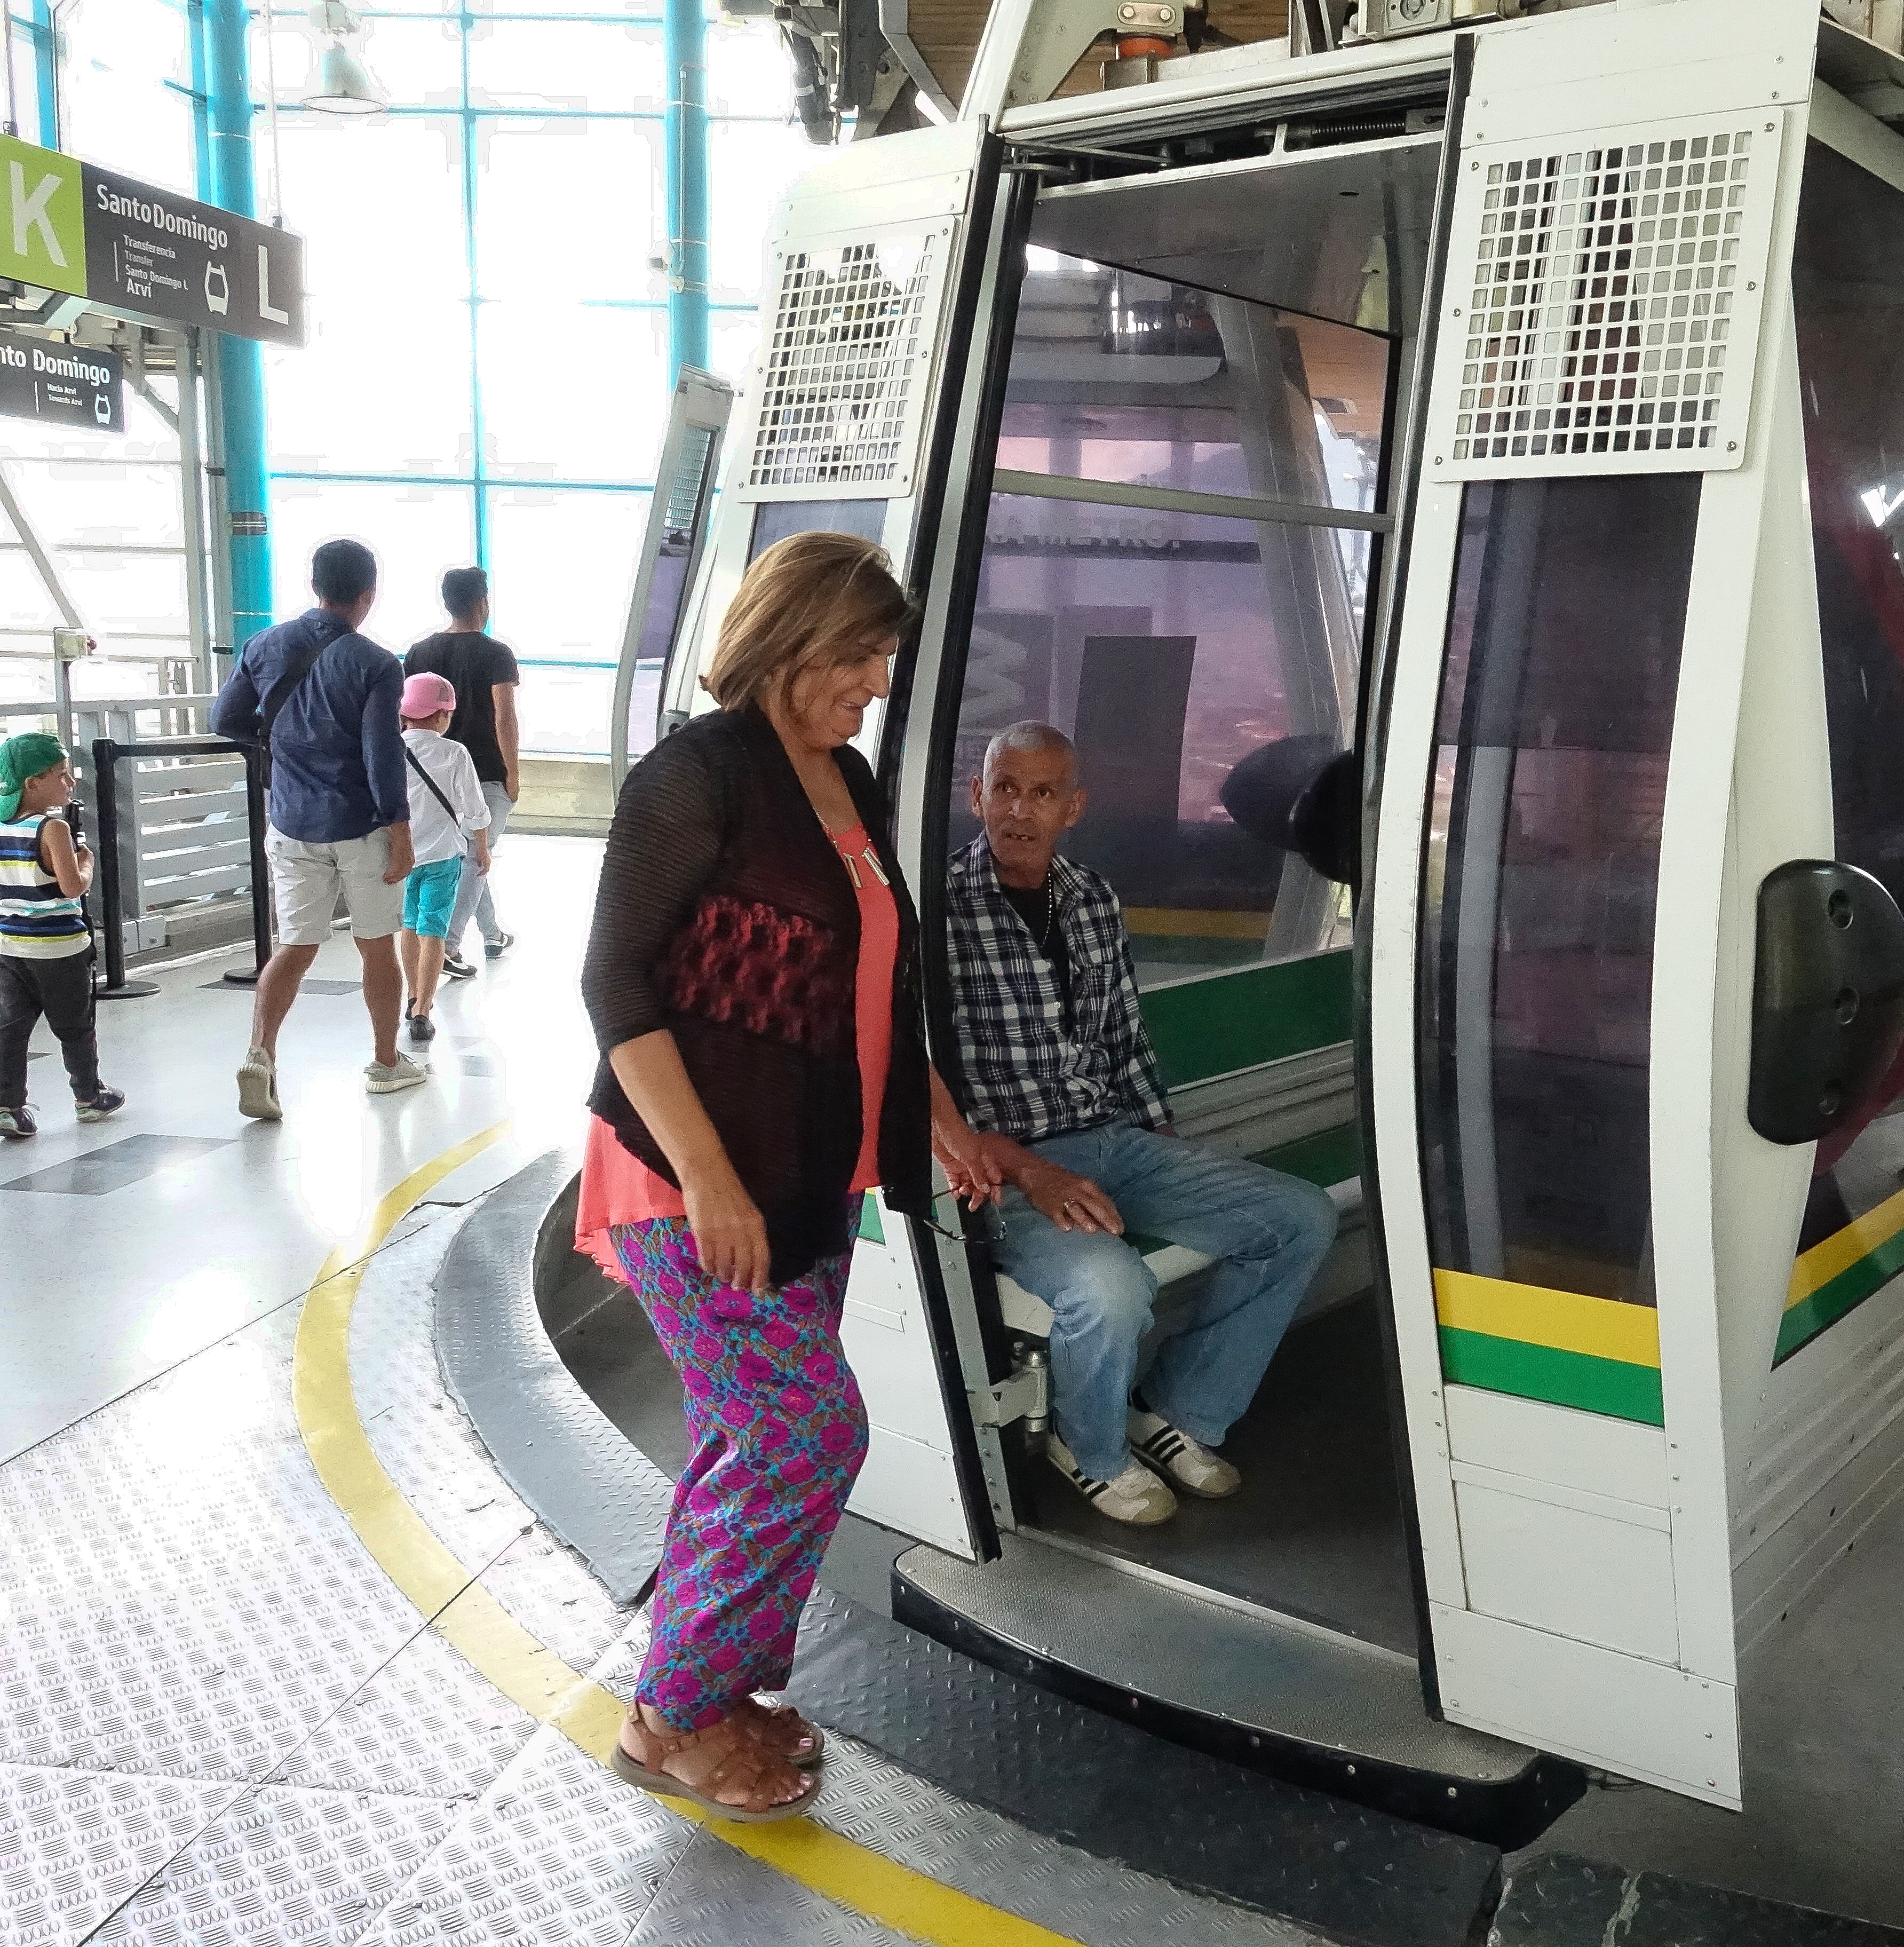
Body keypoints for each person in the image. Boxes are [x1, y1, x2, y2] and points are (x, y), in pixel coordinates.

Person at [577, 531, 994, 1823]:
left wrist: (935, 1118)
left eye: (879, 659)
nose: (873, 682)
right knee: (804, 1431)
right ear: (789, 635)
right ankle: (670, 1719)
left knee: (742, 1437)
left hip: (809, 1172)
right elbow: (613, 985)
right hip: (691, 1178)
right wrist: (707, 1178)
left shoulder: (845, 781)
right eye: (857, 654)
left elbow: (878, 982)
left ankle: (724, 1681)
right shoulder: (692, 780)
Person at [945, 721, 1337, 1527]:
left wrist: (1165, 1153)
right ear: (976, 795)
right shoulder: (936, 912)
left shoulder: (1090, 897)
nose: (1020, 810)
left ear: (1073, 808)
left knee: (1297, 1217)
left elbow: (1124, 1039)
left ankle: (1177, 1412)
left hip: (1116, 1140)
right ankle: (1089, 1449)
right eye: (1006, 789)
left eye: (1043, 793)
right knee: (1110, 1286)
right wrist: (1028, 1169)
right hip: (1006, 1169)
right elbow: (913, 1079)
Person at [213, 537, 424, 1115]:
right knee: (375, 947)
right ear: (367, 595)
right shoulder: (377, 663)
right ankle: (385, 1062)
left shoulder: (264, 645)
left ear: (314, 587)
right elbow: (383, 754)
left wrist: (283, 744)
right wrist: (401, 832)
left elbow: (224, 717)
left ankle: (261, 1054)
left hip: (291, 821)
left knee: (296, 946)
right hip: (359, 825)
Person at [0, 733, 123, 1136]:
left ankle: (9, 1108)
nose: (70, 785)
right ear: (33, 783)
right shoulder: (53, 828)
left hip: (9, 945)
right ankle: (88, 1097)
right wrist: (85, 862)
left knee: (11, 1027)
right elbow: (72, 887)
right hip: (60, 948)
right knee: (75, 1025)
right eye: (62, 775)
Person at [403, 565, 519, 976]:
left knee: (470, 857)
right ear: (481, 603)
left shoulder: (419, 652)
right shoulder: (496, 653)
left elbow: (407, 715)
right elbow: (505, 716)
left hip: (426, 774)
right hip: (486, 770)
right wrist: (514, 772)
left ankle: (491, 933)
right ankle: (448, 946)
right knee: (475, 858)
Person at [393, 672, 490, 1048]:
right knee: (433, 931)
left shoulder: (392, 750)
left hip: (403, 856)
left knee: (409, 926)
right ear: (440, 716)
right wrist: (482, 847)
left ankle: (411, 996)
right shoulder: (454, 753)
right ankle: (423, 1011)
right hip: (444, 857)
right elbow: (475, 807)